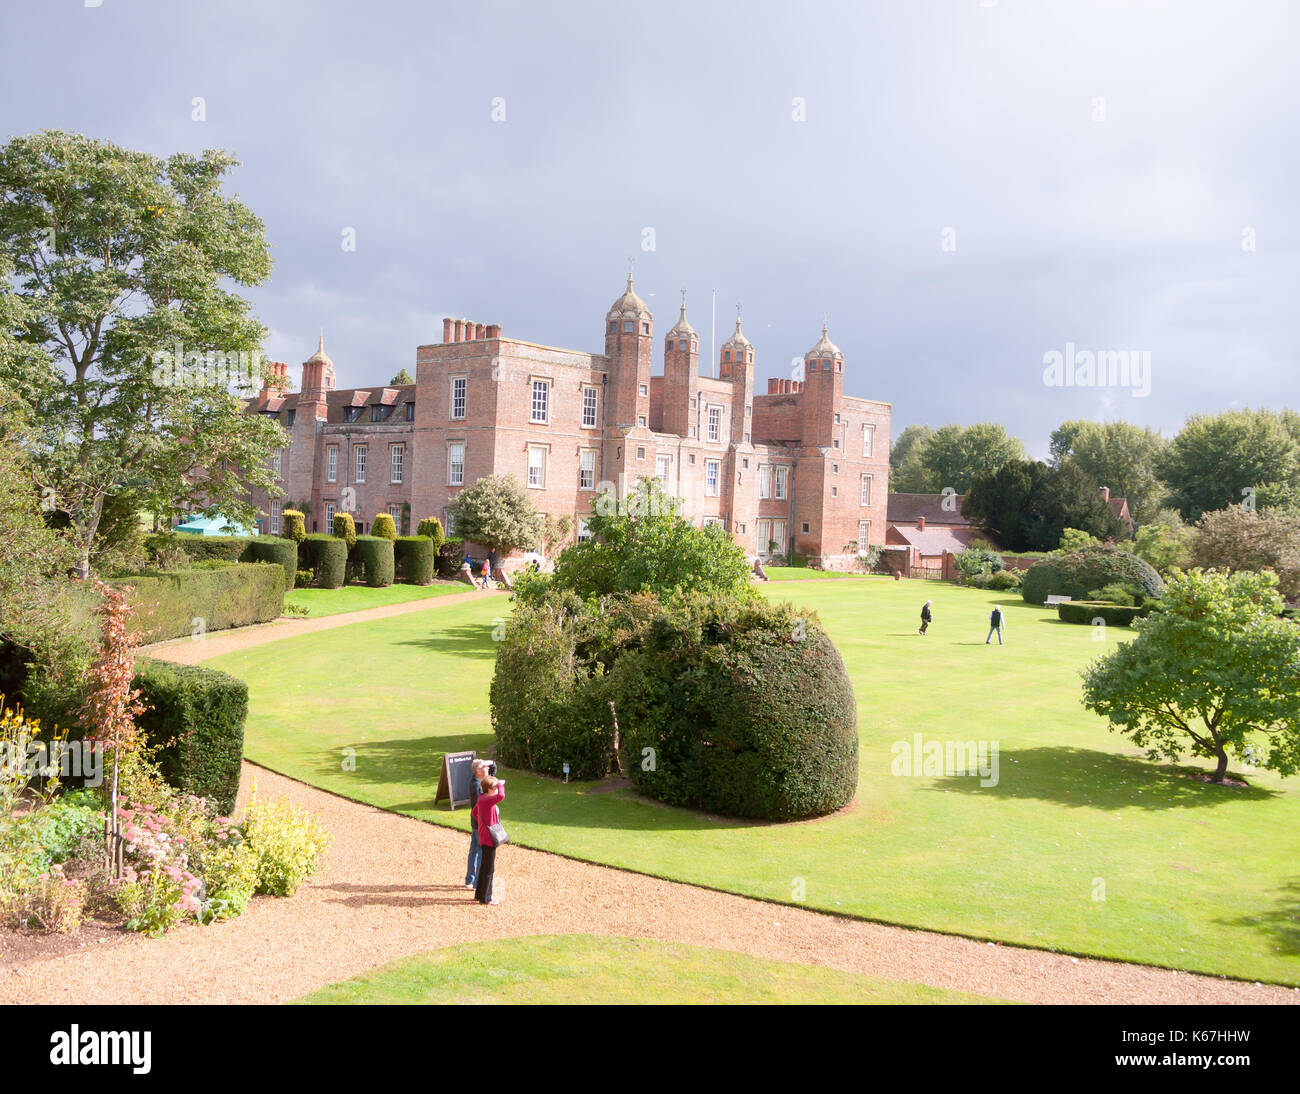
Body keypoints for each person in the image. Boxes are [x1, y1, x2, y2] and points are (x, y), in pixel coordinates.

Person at [472, 774, 506, 905]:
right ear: (489, 789)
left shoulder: (482, 798)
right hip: (489, 839)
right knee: (489, 869)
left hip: (484, 836)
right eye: (495, 787)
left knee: (484, 867)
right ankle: (486, 898)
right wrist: (501, 784)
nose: (497, 789)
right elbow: (501, 796)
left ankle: (479, 894)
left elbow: (475, 813)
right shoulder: (487, 800)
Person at [464, 758, 495, 889]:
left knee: (474, 850)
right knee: (480, 851)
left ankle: (470, 879)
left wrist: (490, 763)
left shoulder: (477, 780)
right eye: (484, 767)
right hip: (479, 824)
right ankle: (476, 882)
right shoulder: (477, 785)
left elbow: (492, 772)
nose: (487, 768)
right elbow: (480, 807)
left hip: (476, 823)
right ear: (479, 771)